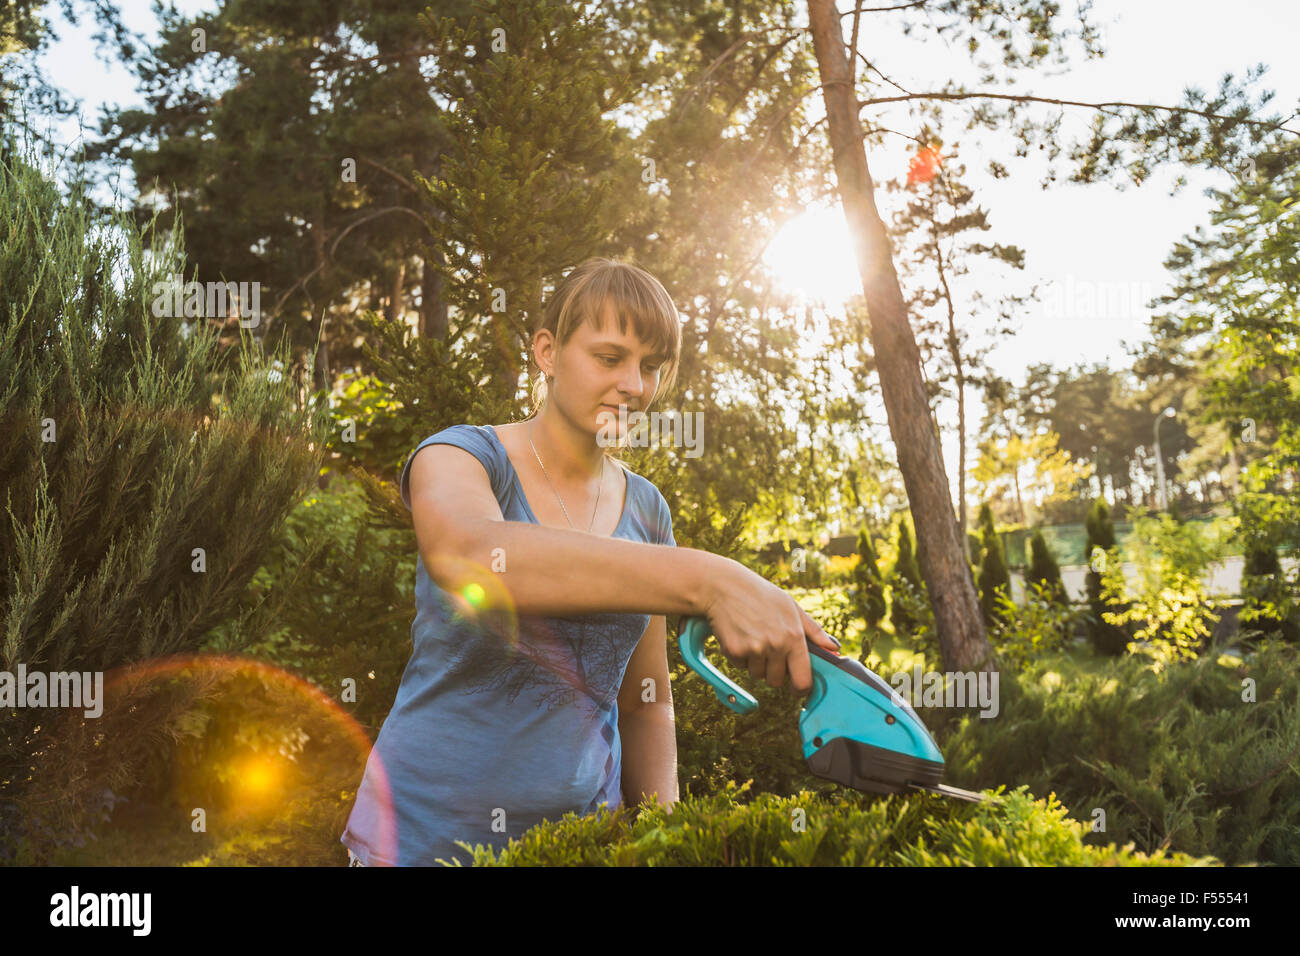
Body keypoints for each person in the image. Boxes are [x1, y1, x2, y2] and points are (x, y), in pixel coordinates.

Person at [339, 257, 838, 866]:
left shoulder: (647, 509)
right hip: (419, 841)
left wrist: (666, 840)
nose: (635, 385)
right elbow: (471, 554)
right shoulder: (462, 455)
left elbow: (645, 700)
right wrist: (710, 578)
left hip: (581, 847)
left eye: (650, 366)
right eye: (610, 358)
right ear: (546, 351)